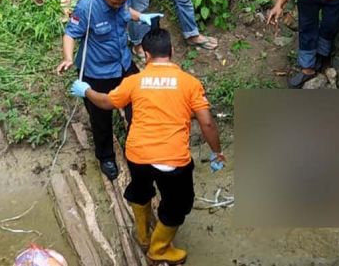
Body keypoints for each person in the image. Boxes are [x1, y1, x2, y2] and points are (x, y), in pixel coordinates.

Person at [69, 27, 224, 263]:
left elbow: (106, 101)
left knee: (141, 191)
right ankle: (158, 250)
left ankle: (142, 236)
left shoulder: (134, 81)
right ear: (171, 51)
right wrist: (216, 152)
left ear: (146, 55)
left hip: (138, 155)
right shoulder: (189, 83)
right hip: (173, 161)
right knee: (177, 205)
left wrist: (87, 90)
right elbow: (207, 123)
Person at [57, 0, 162, 180]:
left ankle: (140, 144)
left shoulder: (121, 0)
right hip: (97, 70)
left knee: (140, 102)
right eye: (113, 3)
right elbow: (70, 33)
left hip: (122, 63)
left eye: (120, 3)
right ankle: (106, 157)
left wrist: (139, 16)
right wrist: (68, 58)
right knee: (100, 118)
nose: (117, 6)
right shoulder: (87, 6)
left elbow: (124, 12)